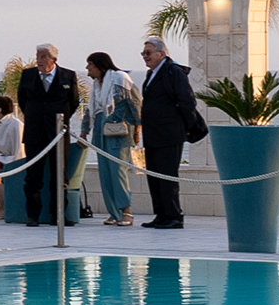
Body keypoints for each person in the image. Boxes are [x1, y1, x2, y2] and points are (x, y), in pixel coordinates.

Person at [138, 37, 207, 230]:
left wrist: (189, 125)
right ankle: (161, 214)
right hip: (153, 134)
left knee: (168, 176)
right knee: (154, 176)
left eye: (148, 53)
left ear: (161, 54)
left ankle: (174, 215)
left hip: (169, 134)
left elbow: (186, 100)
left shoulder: (173, 72)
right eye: (143, 53)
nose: (145, 57)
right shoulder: (151, 74)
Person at [13, 42, 79, 228]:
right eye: (37, 56)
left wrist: (58, 119)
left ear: (53, 59)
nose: (39, 60)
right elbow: (22, 100)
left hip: (58, 133)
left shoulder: (67, 76)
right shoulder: (28, 75)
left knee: (59, 175)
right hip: (34, 133)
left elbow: (73, 102)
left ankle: (58, 215)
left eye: (43, 57)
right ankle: (33, 215)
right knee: (33, 176)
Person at [82, 51, 138, 227]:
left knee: (117, 170)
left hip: (118, 131)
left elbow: (134, 103)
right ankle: (114, 212)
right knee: (105, 172)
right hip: (101, 129)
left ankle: (126, 211)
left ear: (100, 65)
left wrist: (137, 128)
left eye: (90, 65)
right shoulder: (97, 85)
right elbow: (91, 109)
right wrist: (84, 131)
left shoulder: (120, 78)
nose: (87, 69)